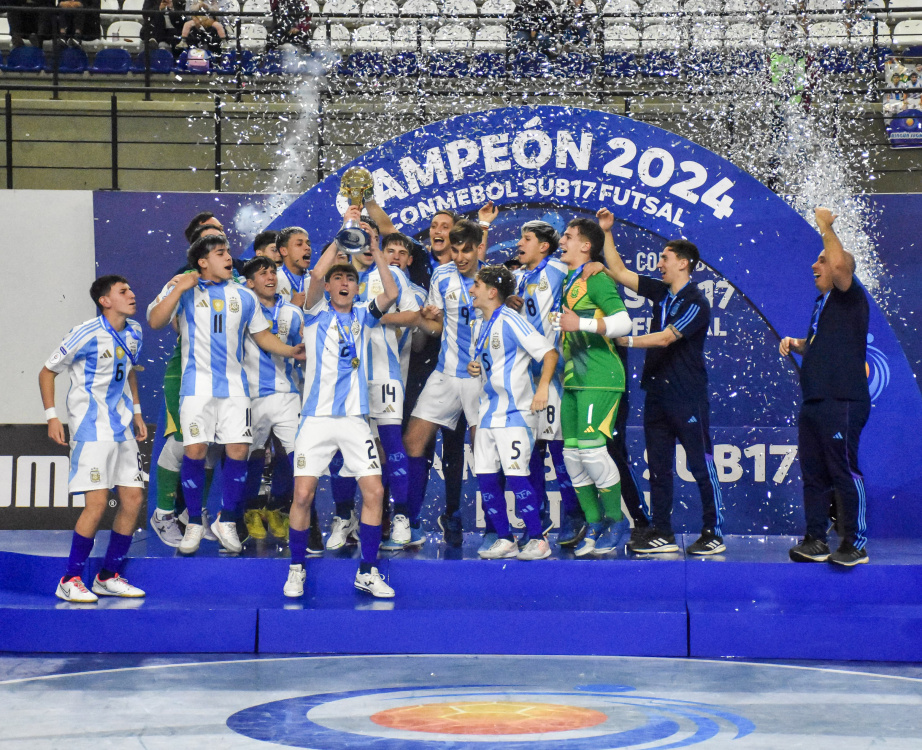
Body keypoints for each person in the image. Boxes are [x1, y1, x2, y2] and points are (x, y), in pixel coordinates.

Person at [148, 234, 305, 555]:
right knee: (195, 452)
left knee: (239, 450)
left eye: (228, 252)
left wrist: (291, 351)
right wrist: (178, 288)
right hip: (197, 388)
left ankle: (227, 520)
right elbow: (155, 321)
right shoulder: (184, 289)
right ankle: (193, 521)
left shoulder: (243, 296)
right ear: (203, 261)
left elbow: (262, 337)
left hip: (236, 388)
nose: (229, 257)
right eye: (220, 253)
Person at [284, 210, 399, 599]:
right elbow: (314, 276)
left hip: (354, 419)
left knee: (374, 492)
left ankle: (367, 570)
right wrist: (343, 235)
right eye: (339, 278)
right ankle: (297, 567)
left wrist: (376, 248)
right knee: (302, 495)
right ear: (331, 287)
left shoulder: (365, 315)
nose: (344, 282)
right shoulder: (314, 313)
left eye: (350, 277)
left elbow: (392, 294)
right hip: (315, 419)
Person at [597, 211, 725, 556]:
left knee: (701, 464)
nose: (659, 264)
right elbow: (621, 272)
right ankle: (662, 532)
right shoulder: (662, 292)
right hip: (656, 393)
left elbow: (667, 339)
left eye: (665, 259)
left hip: (687, 396)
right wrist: (607, 233)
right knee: (659, 468)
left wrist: (627, 341)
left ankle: (713, 532)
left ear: (684, 263)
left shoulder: (696, 302)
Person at [40, 275, 147, 602]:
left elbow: (128, 368)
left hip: (122, 427)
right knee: (97, 504)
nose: (131, 294)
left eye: (130, 288)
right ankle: (69, 579)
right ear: (105, 300)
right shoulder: (85, 333)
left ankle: (108, 575)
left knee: (133, 499)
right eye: (123, 291)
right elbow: (47, 372)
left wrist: (138, 412)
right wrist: (52, 417)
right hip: (91, 429)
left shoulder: (135, 332)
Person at [781, 208, 871, 566]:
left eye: (821, 261)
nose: (815, 266)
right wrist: (798, 343)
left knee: (844, 471)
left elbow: (839, 266)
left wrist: (825, 227)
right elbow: (823, 345)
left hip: (843, 401)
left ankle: (855, 544)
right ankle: (816, 540)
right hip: (815, 401)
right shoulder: (824, 304)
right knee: (814, 475)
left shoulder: (851, 295)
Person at [552, 218, 633, 557]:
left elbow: (625, 322)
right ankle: (594, 522)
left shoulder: (595, 278)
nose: (562, 241)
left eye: (569, 237)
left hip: (600, 377)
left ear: (586, 246)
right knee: (572, 454)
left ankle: (617, 521)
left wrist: (580, 323)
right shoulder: (571, 277)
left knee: (591, 450)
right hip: (574, 379)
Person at [402, 219, 485, 546]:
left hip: (480, 378)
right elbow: (437, 327)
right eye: (456, 250)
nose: (460, 256)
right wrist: (425, 318)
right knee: (412, 443)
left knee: (486, 453)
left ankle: (496, 529)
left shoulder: (492, 280)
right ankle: (407, 521)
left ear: (479, 248)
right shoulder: (440, 276)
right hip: (444, 374)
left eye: (467, 250)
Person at [468, 265, 559, 560]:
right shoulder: (478, 324)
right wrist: (475, 367)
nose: (472, 289)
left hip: (516, 414)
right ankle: (505, 539)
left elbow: (548, 352)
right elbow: (488, 360)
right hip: (487, 413)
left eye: (477, 285)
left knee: (518, 477)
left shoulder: (510, 319)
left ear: (492, 292)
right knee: (485, 479)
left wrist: (542, 387)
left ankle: (538, 539)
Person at [503, 221, 584, 548]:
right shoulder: (519, 278)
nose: (519, 243)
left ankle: (573, 514)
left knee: (559, 447)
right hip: (524, 378)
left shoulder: (557, 268)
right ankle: (537, 514)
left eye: (527, 239)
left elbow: (583, 270)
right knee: (527, 450)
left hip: (554, 378)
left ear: (544, 247)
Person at [239, 256, 305, 543]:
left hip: (287, 394)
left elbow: (303, 352)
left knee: (298, 456)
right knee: (250, 455)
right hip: (250, 395)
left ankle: (286, 509)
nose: (270, 277)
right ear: (249, 282)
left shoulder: (293, 312)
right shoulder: (239, 311)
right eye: (262, 274)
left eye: (272, 272)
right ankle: (248, 510)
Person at [274, 226, 311, 308]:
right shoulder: (273, 279)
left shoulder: (315, 280)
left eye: (308, 244)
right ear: (284, 251)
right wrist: (292, 307)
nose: (307, 248)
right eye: (299, 244)